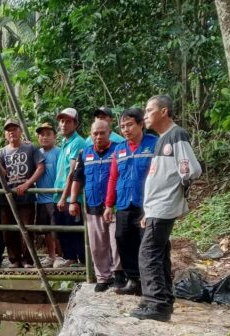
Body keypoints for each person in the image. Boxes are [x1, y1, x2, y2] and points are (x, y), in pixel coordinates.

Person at [131, 94, 201, 322]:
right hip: (156, 207)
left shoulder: (176, 135)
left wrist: (174, 195)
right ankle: (161, 299)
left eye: (149, 110)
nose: (145, 114)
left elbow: (190, 169)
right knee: (158, 253)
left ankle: (157, 304)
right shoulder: (162, 138)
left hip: (163, 206)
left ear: (164, 111)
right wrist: (149, 209)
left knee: (148, 254)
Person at [103, 108, 158, 295]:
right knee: (122, 238)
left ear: (141, 124)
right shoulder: (119, 149)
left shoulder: (154, 144)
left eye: (129, 125)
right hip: (124, 202)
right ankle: (134, 280)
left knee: (148, 244)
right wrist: (109, 205)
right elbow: (113, 178)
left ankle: (152, 283)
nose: (125, 129)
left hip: (147, 203)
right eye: (122, 126)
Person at [69, 120, 121, 292]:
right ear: (90, 134)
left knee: (116, 242)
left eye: (102, 133)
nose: (98, 136)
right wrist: (73, 200)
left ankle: (118, 275)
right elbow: (77, 178)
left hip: (114, 206)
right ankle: (103, 278)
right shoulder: (84, 153)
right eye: (95, 133)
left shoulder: (119, 150)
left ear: (109, 133)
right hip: (92, 206)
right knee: (97, 245)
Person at [0, 119, 44, 268]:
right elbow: (2, 173)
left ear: (20, 131)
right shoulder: (2, 152)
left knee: (27, 228)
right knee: (8, 230)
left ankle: (28, 259)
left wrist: (28, 183)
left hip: (26, 196)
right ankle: (14, 259)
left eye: (14, 129)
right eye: (8, 130)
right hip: (8, 197)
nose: (12, 132)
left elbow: (40, 167)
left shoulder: (30, 149)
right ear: (5, 134)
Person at [54, 108, 86, 265]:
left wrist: (64, 197)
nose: (63, 124)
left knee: (75, 230)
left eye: (68, 121)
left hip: (70, 196)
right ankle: (71, 259)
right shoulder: (64, 143)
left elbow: (72, 173)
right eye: (61, 121)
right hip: (60, 194)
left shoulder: (77, 142)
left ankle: (83, 263)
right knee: (63, 229)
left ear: (75, 124)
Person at [34, 122, 62, 267]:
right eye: (41, 134)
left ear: (54, 136)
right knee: (46, 230)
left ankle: (60, 256)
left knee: (56, 228)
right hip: (41, 198)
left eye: (48, 134)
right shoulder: (37, 153)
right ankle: (51, 255)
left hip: (55, 197)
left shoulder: (59, 152)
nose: (44, 137)